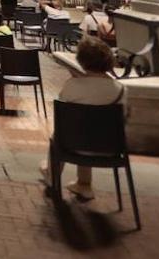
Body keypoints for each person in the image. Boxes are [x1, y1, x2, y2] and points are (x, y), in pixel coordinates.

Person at [42, 36, 126, 202]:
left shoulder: (73, 86)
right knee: (93, 129)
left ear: (81, 60)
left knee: (68, 131)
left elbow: (64, 100)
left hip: (72, 145)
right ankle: (84, 184)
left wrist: (77, 79)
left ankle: (52, 175)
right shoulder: (120, 89)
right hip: (111, 148)